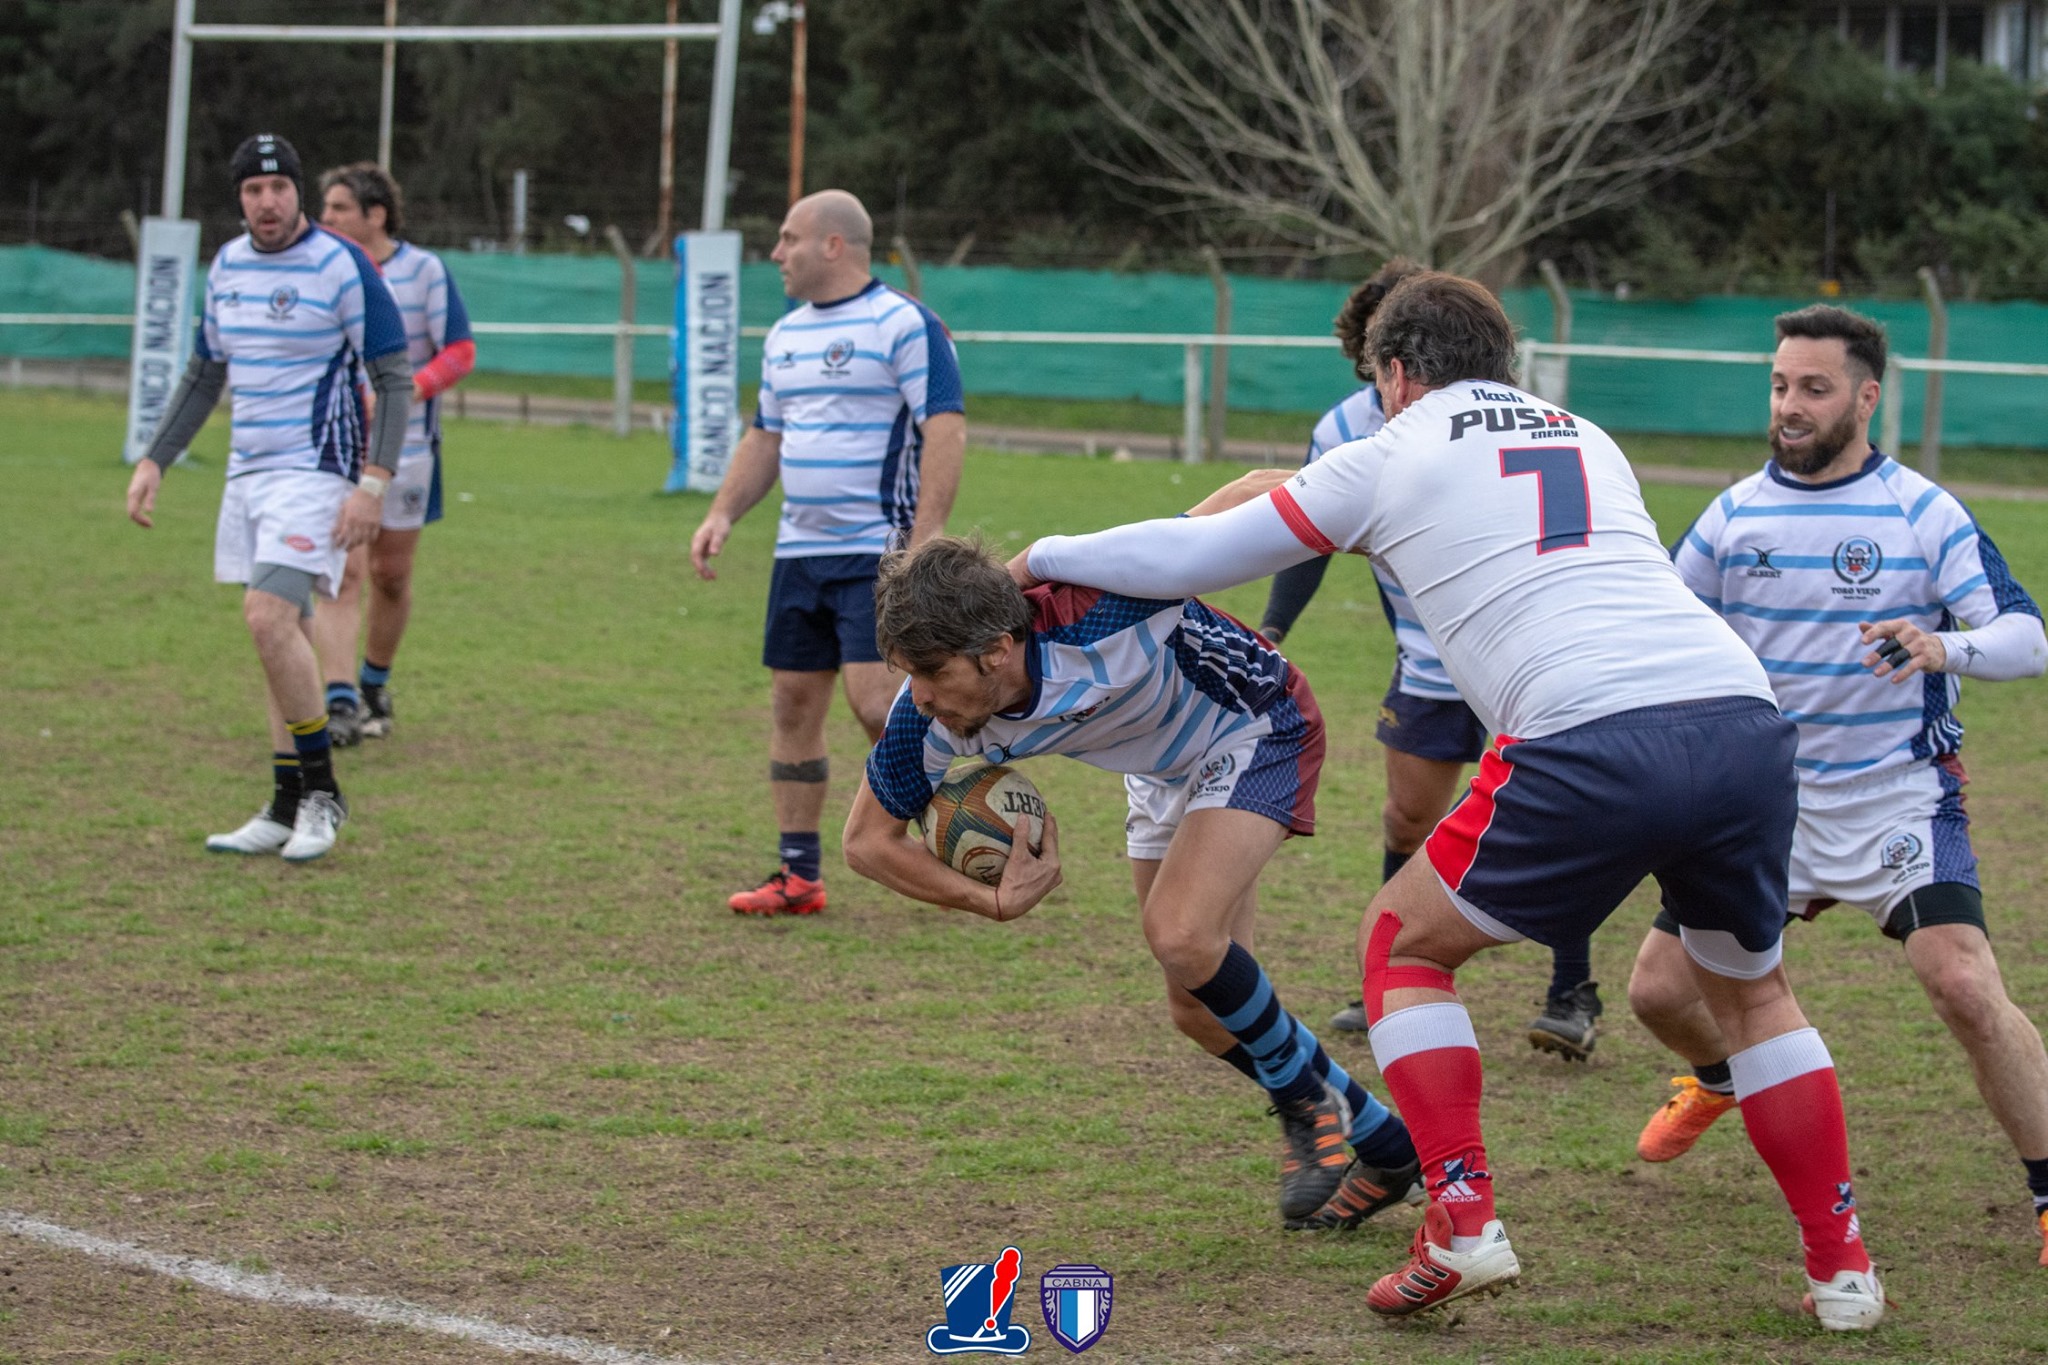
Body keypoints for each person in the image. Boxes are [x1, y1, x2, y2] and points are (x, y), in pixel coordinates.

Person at [1013, 272, 1885, 1328]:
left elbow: (1198, 555)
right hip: (1741, 718)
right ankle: (1842, 1273)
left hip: (1586, 727)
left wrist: (1040, 558)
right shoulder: (1585, 432)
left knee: (1402, 947)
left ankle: (1462, 1225)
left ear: (1392, 374)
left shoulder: (1392, 446)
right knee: (1754, 998)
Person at [1625, 305, 2048, 1262]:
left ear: (1866, 395)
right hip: (1762, 803)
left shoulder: (1923, 511)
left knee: (1964, 985)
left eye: (1813, 388)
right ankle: (1722, 1076)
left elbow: (2027, 639)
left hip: (1897, 796)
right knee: (1655, 992)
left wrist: (1945, 642)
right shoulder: (1733, 516)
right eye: (1780, 385)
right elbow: (1661, 624)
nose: (1790, 406)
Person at [842, 536, 1421, 1231]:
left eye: (934, 672)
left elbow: (1229, 508)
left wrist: (1375, 512)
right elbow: (866, 842)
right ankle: (1388, 1147)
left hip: (1255, 725)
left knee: (1180, 931)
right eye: (910, 675)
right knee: (1199, 1008)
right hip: (1160, 768)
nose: (922, 695)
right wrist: (984, 899)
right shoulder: (929, 719)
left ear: (997, 648)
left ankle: (1307, 1100)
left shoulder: (1104, 607)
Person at [1263, 261, 1600, 1057]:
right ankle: (1390, 973)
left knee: (1565, 825)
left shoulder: (1520, 422)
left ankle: (1572, 989)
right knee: (1408, 816)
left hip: (1529, 658)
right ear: (1375, 357)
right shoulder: (1346, 428)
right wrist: (1274, 626)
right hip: (1429, 659)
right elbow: (1305, 537)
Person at [125, 133, 411, 863]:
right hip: (247, 476)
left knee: (267, 615)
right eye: (253, 190)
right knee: (278, 635)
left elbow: (393, 376)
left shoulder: (339, 263)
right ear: (240, 198)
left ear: (297, 191)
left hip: (314, 471)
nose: (267, 201)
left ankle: (321, 791)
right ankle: (285, 802)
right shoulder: (226, 265)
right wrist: (156, 457)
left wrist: (372, 484)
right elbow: (203, 373)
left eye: (279, 186)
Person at [690, 189, 966, 916]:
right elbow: (765, 438)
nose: (776, 254)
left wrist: (928, 532)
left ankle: (975, 836)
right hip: (798, 553)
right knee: (791, 702)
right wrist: (723, 511)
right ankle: (799, 874)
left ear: (833, 245)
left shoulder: (904, 323)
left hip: (874, 551)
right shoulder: (783, 335)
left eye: (787, 239)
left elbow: (945, 426)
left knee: (878, 703)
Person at [311, 162, 476, 745]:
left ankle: (375, 681)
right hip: (337, 449)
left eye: (337, 209)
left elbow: (459, 351)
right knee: (341, 572)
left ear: (374, 215)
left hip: (409, 450)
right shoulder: (322, 270)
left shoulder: (423, 270)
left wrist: (403, 393)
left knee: (388, 574)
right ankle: (339, 702)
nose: (324, 218)